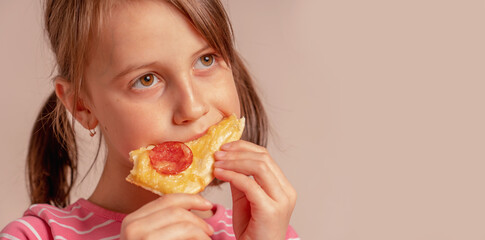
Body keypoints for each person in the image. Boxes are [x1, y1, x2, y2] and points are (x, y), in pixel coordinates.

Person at [0, 0, 298, 239]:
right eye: (146, 79)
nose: (192, 108)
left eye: (205, 60)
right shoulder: (33, 236)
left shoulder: (267, 230)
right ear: (82, 106)